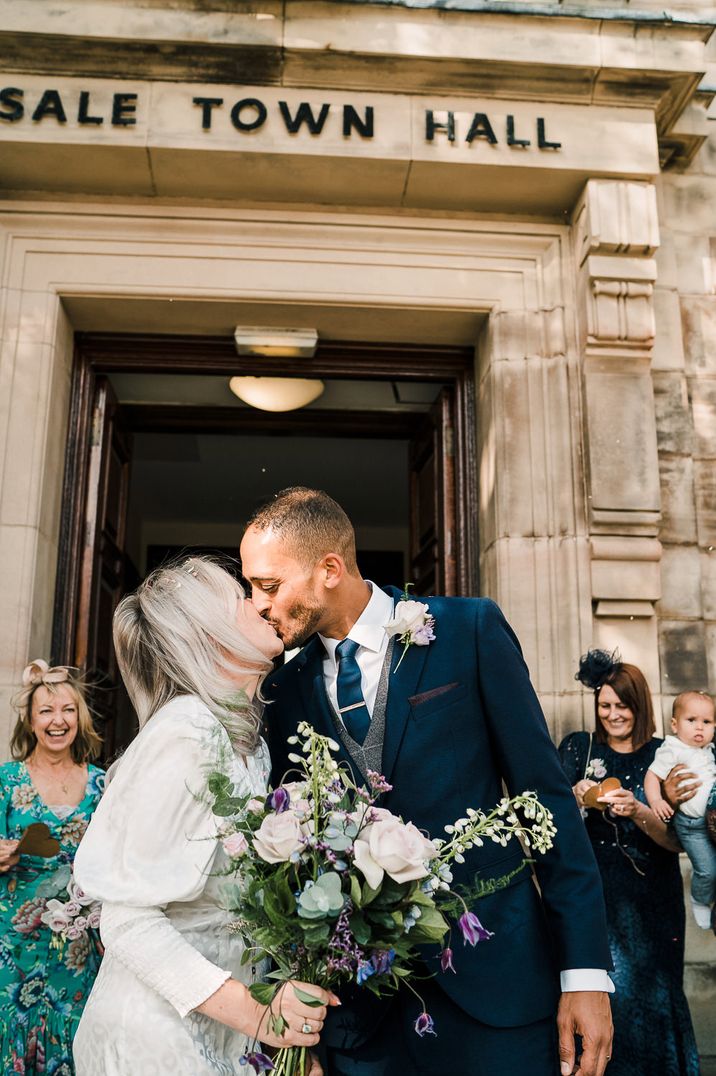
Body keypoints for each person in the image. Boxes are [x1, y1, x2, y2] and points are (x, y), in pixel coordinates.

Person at [239, 487, 614, 1076]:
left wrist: (586, 974)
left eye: (268, 585)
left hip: (495, 988)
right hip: (361, 1018)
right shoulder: (285, 690)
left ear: (329, 569)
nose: (256, 603)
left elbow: (545, 797)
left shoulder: (469, 630)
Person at [72, 556, 335, 1076]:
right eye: (240, 597)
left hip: (219, 1035)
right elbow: (127, 923)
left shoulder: (249, 745)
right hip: (151, 1037)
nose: (260, 602)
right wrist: (262, 1018)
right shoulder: (186, 733)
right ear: (209, 633)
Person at [559, 651, 700, 1076]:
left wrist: (639, 809)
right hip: (596, 896)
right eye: (605, 706)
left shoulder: (665, 755)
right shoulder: (578, 748)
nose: (613, 715)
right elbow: (548, 823)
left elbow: (677, 842)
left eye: (623, 706)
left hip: (653, 898)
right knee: (606, 996)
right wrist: (574, 796)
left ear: (640, 707)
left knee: (655, 995)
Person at [0, 659, 104, 1075]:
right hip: (11, 947)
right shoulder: (6, 781)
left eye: (67, 710)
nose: (57, 721)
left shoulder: (103, 786)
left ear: (80, 718)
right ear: (30, 720)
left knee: (73, 1038)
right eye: (46, 711)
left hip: (77, 947)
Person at [644, 690, 716, 929]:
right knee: (706, 870)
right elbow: (652, 776)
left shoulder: (709, 751)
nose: (699, 728)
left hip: (711, 822)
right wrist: (656, 801)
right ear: (674, 725)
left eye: (706, 722)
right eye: (691, 720)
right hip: (692, 826)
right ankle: (700, 899)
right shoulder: (672, 749)